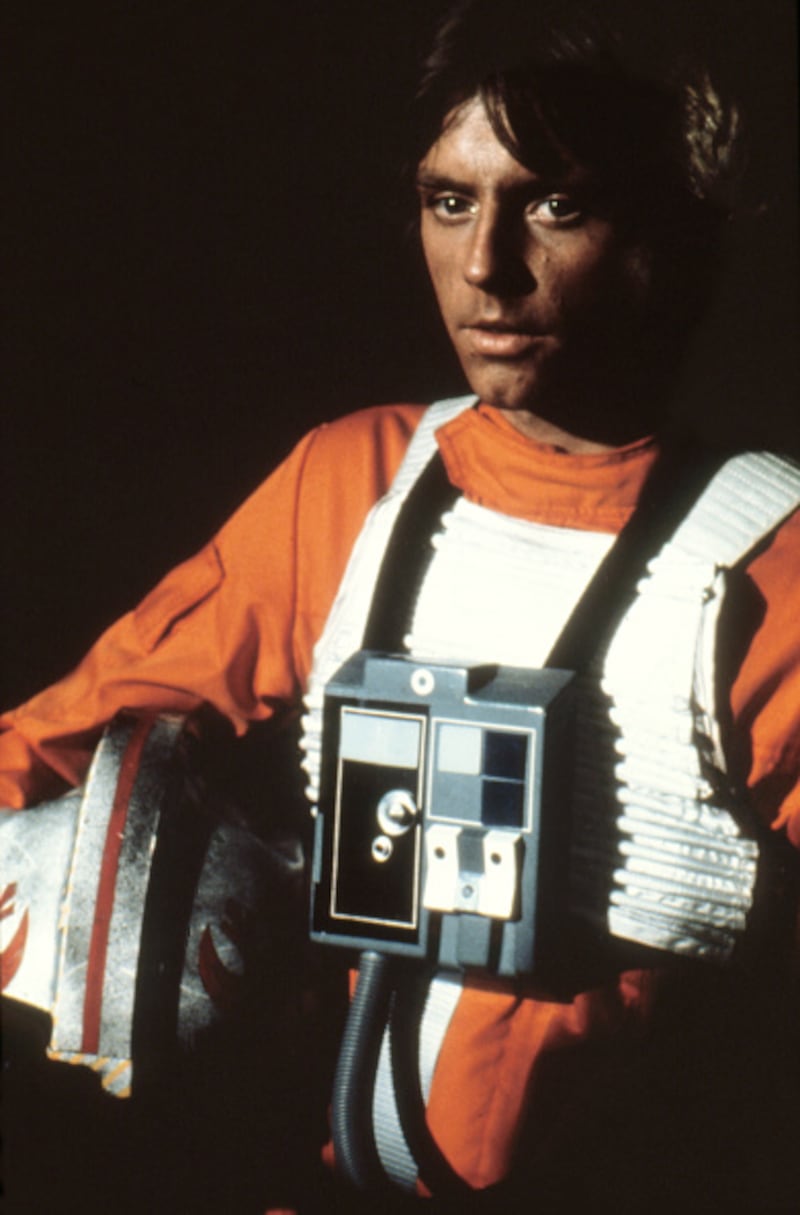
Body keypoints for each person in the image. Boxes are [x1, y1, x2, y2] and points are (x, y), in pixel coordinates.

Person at [2, 1, 799, 1210]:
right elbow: (59, 741)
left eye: (554, 205)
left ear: (672, 227)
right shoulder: (358, 480)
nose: (484, 265)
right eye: (448, 201)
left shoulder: (764, 560)